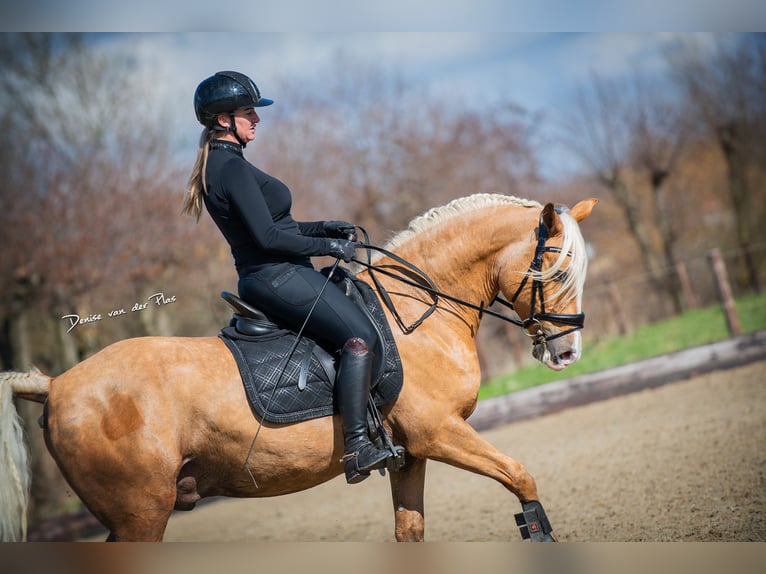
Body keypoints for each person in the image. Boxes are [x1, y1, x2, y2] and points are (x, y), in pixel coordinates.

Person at [183, 70, 398, 484]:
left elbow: (276, 226)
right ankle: (357, 446)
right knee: (361, 339)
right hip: (275, 275)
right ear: (223, 119)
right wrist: (328, 249)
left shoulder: (227, 164)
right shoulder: (230, 168)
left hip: (275, 271)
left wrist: (322, 228)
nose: (257, 119)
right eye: (249, 112)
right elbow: (267, 238)